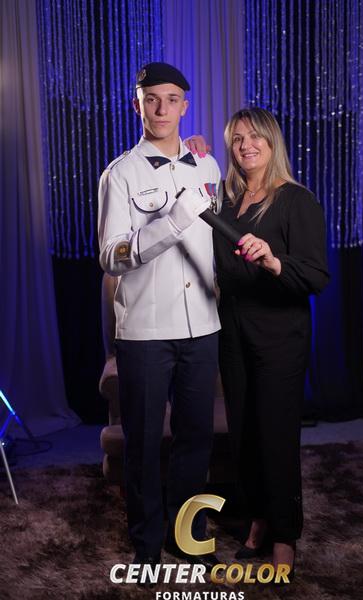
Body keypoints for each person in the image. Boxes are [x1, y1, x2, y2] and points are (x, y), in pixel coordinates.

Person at [97, 62, 222, 571]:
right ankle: (147, 545)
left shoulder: (207, 167)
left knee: (196, 442)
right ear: (137, 105)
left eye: (172, 99)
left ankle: (186, 537)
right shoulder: (120, 174)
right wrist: (171, 222)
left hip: (203, 326)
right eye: (152, 99)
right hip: (146, 331)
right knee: (145, 445)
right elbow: (111, 256)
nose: (162, 108)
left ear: (185, 107)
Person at [212, 107, 330, 579]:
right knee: (243, 434)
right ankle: (258, 517)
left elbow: (317, 275)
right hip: (232, 332)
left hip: (280, 335)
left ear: (272, 141)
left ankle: (284, 536)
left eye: (255, 136)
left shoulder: (295, 199)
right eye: (237, 138)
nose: (246, 146)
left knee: (276, 437)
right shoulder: (225, 200)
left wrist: (275, 262)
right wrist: (193, 149)